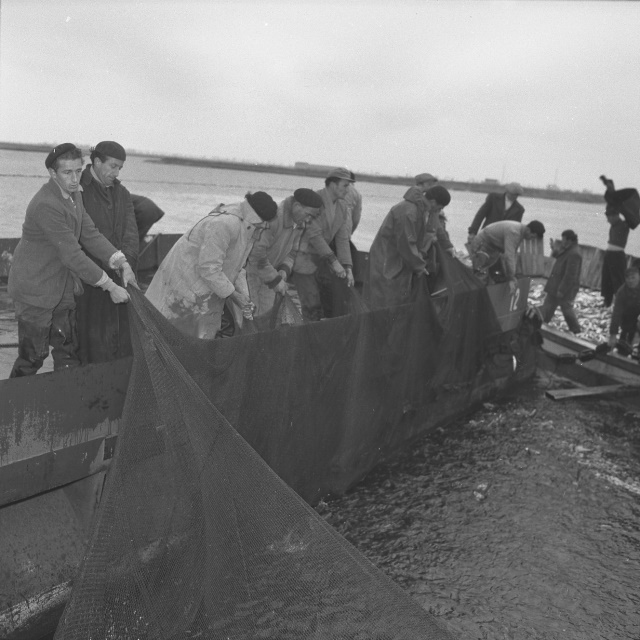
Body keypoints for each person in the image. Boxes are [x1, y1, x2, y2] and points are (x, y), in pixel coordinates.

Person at [7, 143, 134, 378]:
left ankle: (68, 397)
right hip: (35, 289)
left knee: (68, 352)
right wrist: (110, 286)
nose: (75, 179)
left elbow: (90, 233)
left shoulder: (75, 195)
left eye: (78, 171)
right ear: (52, 173)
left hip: (62, 286)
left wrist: (121, 262)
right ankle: (11, 399)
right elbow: (73, 255)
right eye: (67, 172)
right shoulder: (46, 204)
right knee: (33, 357)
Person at [145, 191, 277, 339]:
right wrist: (235, 296)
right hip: (185, 290)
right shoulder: (224, 224)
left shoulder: (247, 228)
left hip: (206, 293)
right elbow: (209, 268)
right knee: (173, 336)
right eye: (261, 224)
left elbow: (238, 268)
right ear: (254, 218)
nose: (263, 228)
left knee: (199, 337)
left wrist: (244, 297)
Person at [76, 141, 139, 364]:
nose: (116, 173)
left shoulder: (122, 193)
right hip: (86, 281)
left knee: (118, 341)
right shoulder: (77, 190)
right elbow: (80, 239)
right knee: (86, 342)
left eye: (120, 168)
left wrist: (126, 266)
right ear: (96, 161)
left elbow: (131, 234)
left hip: (118, 275)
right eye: (113, 166)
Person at [366, 184, 452, 310]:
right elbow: (406, 243)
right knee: (385, 299)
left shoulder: (423, 209)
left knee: (397, 298)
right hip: (386, 258)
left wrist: (446, 246)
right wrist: (419, 266)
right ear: (433, 202)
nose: (438, 211)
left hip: (399, 258)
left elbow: (429, 232)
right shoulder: (408, 211)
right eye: (439, 208)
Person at [246, 188, 323, 318]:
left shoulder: (300, 224)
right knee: (248, 316)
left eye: (312, 217)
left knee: (266, 317)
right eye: (308, 215)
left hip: (271, 276)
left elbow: (292, 252)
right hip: (249, 274)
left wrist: (284, 270)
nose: (309, 220)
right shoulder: (273, 218)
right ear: (297, 206)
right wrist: (275, 280)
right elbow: (256, 254)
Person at [291, 168, 354, 321]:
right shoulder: (315, 201)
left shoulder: (342, 207)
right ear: (332, 184)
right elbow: (314, 235)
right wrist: (334, 262)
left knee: (326, 301)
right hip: (302, 258)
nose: (348, 190)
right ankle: (308, 331)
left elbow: (342, 238)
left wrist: (347, 267)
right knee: (311, 302)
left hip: (321, 260)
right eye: (345, 185)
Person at [468, 219, 545, 293]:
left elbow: (513, 254)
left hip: (493, 248)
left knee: (485, 275)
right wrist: (510, 278)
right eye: (532, 236)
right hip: (482, 245)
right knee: (480, 275)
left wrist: (512, 276)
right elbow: (509, 256)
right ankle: (474, 297)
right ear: (528, 230)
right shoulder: (514, 232)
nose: (531, 239)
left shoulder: (520, 232)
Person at [537, 229, 582, 334]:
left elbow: (570, 275)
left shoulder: (574, 253)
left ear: (569, 240)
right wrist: (554, 248)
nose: (562, 242)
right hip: (556, 285)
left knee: (566, 308)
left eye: (563, 240)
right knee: (549, 306)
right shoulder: (569, 249)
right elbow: (560, 255)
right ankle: (542, 324)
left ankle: (576, 330)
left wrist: (561, 290)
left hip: (564, 288)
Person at [601, 206, 630, 308]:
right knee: (606, 278)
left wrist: (621, 207)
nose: (608, 220)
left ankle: (620, 302)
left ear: (615, 216)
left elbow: (632, 218)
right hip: (609, 253)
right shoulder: (613, 225)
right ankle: (607, 301)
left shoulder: (624, 224)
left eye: (609, 217)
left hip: (617, 255)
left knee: (618, 279)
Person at [607, 266, 640, 354]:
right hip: (628, 318)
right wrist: (613, 334)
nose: (630, 281)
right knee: (624, 345)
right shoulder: (621, 292)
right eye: (628, 278)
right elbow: (616, 314)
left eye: (633, 277)